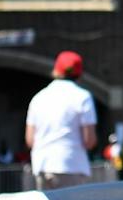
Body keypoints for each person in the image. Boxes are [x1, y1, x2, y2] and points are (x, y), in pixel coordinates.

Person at [24, 50, 98, 190]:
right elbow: (89, 140)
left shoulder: (38, 97)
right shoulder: (83, 97)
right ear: (79, 73)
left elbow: (30, 140)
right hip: (70, 164)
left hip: (42, 164)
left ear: (56, 70)